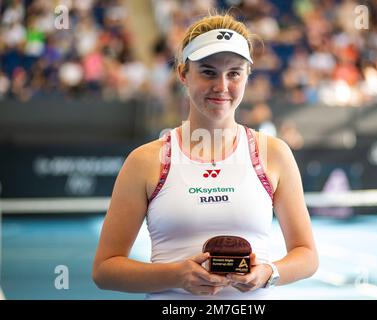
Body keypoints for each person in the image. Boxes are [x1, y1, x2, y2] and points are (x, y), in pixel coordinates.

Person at [92, 13, 318, 300]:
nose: (222, 86)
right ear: (184, 74)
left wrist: (269, 273)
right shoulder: (146, 161)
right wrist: (176, 275)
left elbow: (307, 254)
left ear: (248, 76)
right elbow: (105, 269)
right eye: (208, 72)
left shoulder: (274, 154)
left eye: (234, 73)